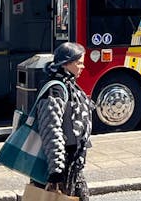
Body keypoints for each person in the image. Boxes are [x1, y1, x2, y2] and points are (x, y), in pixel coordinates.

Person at [34, 42, 93, 200]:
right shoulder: (55, 89)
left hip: (72, 165)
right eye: (79, 63)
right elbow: (51, 130)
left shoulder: (68, 84)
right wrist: (56, 172)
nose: (83, 67)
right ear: (66, 63)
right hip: (59, 167)